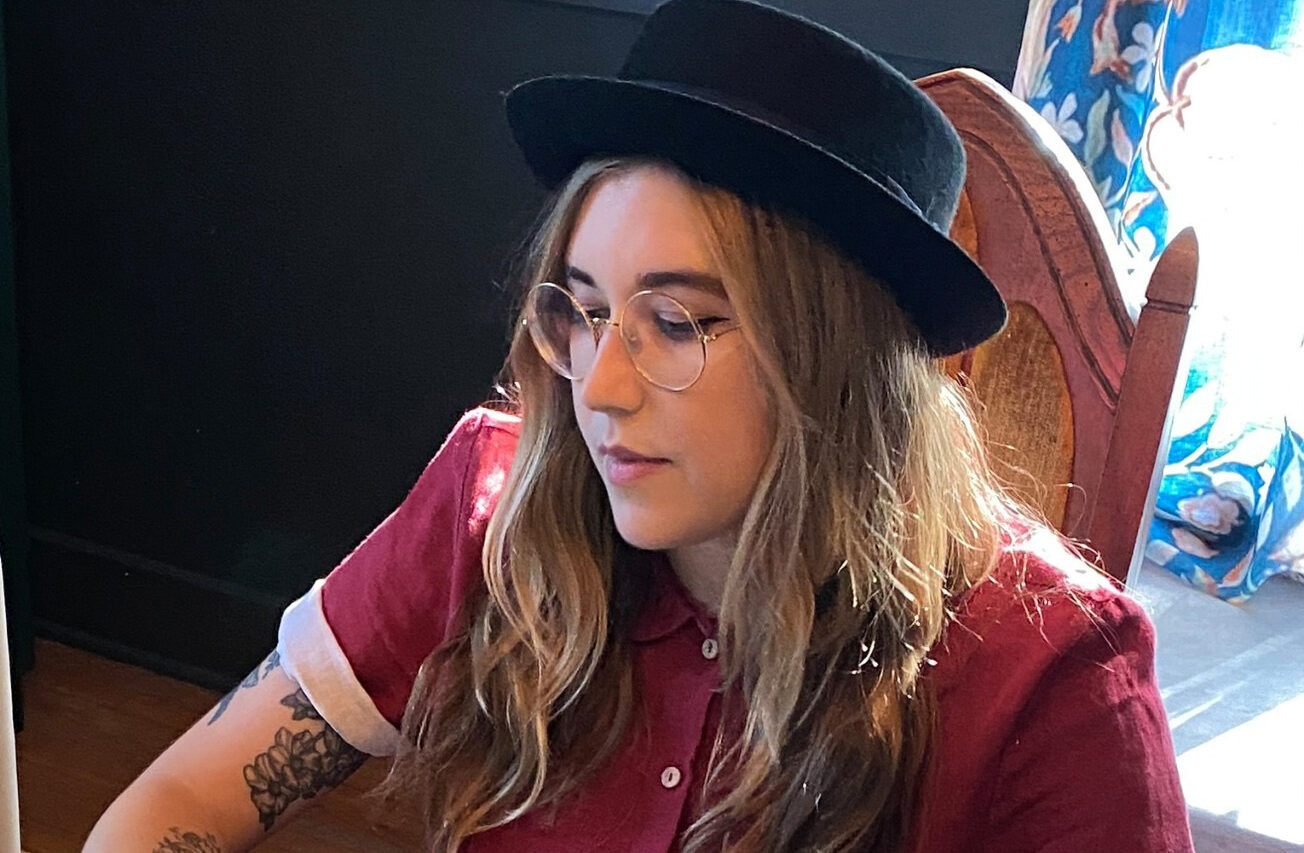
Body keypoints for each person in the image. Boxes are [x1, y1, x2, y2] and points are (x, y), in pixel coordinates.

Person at [85, 0, 1194, 850]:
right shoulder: (497, 501)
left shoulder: (1052, 679)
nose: (597, 385)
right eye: (582, 310)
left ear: (837, 365)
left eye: (673, 322)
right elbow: (181, 795)